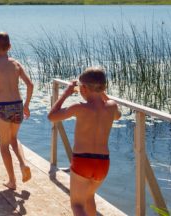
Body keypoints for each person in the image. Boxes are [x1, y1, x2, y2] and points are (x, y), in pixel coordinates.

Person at [47, 67, 121, 216]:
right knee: (88, 197)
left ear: (84, 88)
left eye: (81, 87)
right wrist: (102, 94)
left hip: (83, 161)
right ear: (103, 87)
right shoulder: (112, 106)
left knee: (77, 204)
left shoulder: (79, 108)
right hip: (103, 163)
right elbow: (117, 116)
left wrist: (65, 94)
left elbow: (52, 116)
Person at [0, 32, 34, 190]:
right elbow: (30, 85)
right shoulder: (16, 64)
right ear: (9, 47)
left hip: (3, 107)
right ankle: (23, 163)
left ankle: (12, 181)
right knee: (14, 138)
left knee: (4, 145)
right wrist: (26, 105)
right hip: (17, 105)